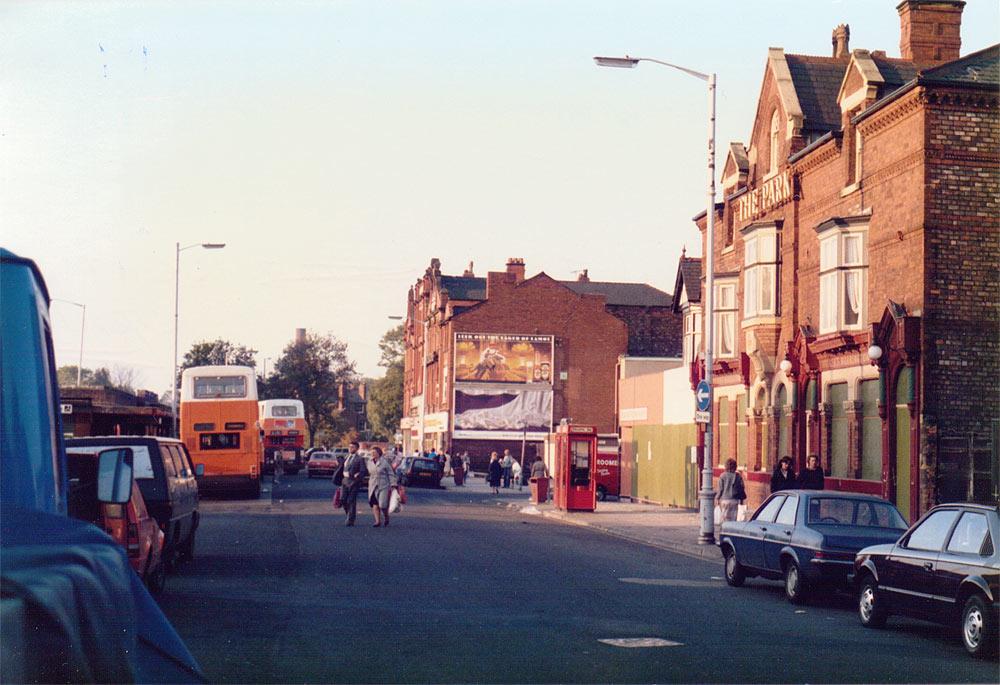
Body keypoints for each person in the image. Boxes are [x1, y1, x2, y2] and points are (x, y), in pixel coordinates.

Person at [367, 446, 397, 527]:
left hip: (383, 485)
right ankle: (377, 521)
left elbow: (391, 473)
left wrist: (393, 484)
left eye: (374, 453)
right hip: (373, 485)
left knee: (382, 504)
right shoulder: (369, 461)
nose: (372, 454)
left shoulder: (384, 462)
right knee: (375, 504)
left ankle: (386, 516)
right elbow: (368, 472)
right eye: (371, 453)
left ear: (379, 453)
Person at [340, 441, 367, 526]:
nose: (350, 449)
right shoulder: (346, 457)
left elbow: (363, 471)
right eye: (349, 447)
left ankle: (351, 519)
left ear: (357, 448)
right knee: (343, 499)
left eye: (353, 447)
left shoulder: (359, 459)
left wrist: (358, 475)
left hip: (354, 482)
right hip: (345, 480)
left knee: (351, 500)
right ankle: (349, 514)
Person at [715, 458, 746, 523]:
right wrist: (741, 500)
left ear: (726, 466)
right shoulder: (738, 476)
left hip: (725, 500)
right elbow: (742, 488)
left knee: (724, 519)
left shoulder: (722, 476)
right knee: (733, 520)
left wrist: (717, 498)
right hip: (734, 500)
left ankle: (724, 531)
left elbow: (720, 489)